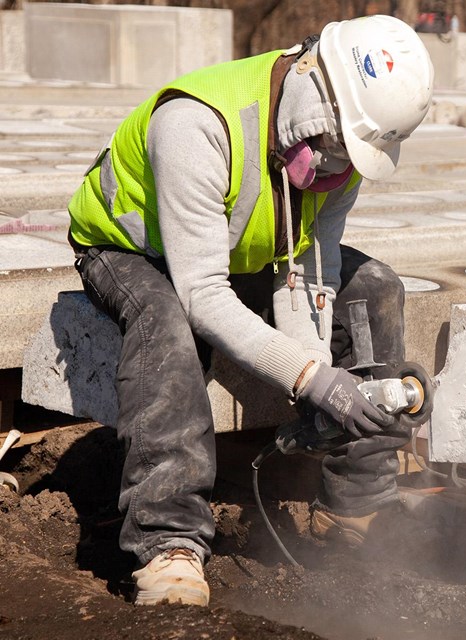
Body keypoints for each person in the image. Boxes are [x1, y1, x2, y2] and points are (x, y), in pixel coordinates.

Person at [67, 14, 434, 607]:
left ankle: (360, 509)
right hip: (131, 249)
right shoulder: (195, 125)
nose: (340, 168)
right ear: (317, 100)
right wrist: (312, 378)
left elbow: (311, 273)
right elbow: (202, 295)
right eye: (336, 147)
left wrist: (321, 384)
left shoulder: (341, 156)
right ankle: (169, 542)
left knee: (375, 288)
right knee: (165, 323)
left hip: (236, 251)